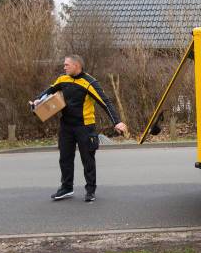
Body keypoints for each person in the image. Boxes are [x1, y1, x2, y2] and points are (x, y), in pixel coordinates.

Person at [30, 55, 128, 202]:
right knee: (65, 158)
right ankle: (66, 188)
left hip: (85, 127)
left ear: (77, 66)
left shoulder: (89, 82)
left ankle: (90, 190)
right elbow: (50, 90)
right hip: (66, 126)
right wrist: (38, 99)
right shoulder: (63, 79)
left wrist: (117, 122)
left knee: (87, 159)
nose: (64, 67)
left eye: (66, 65)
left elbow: (105, 102)